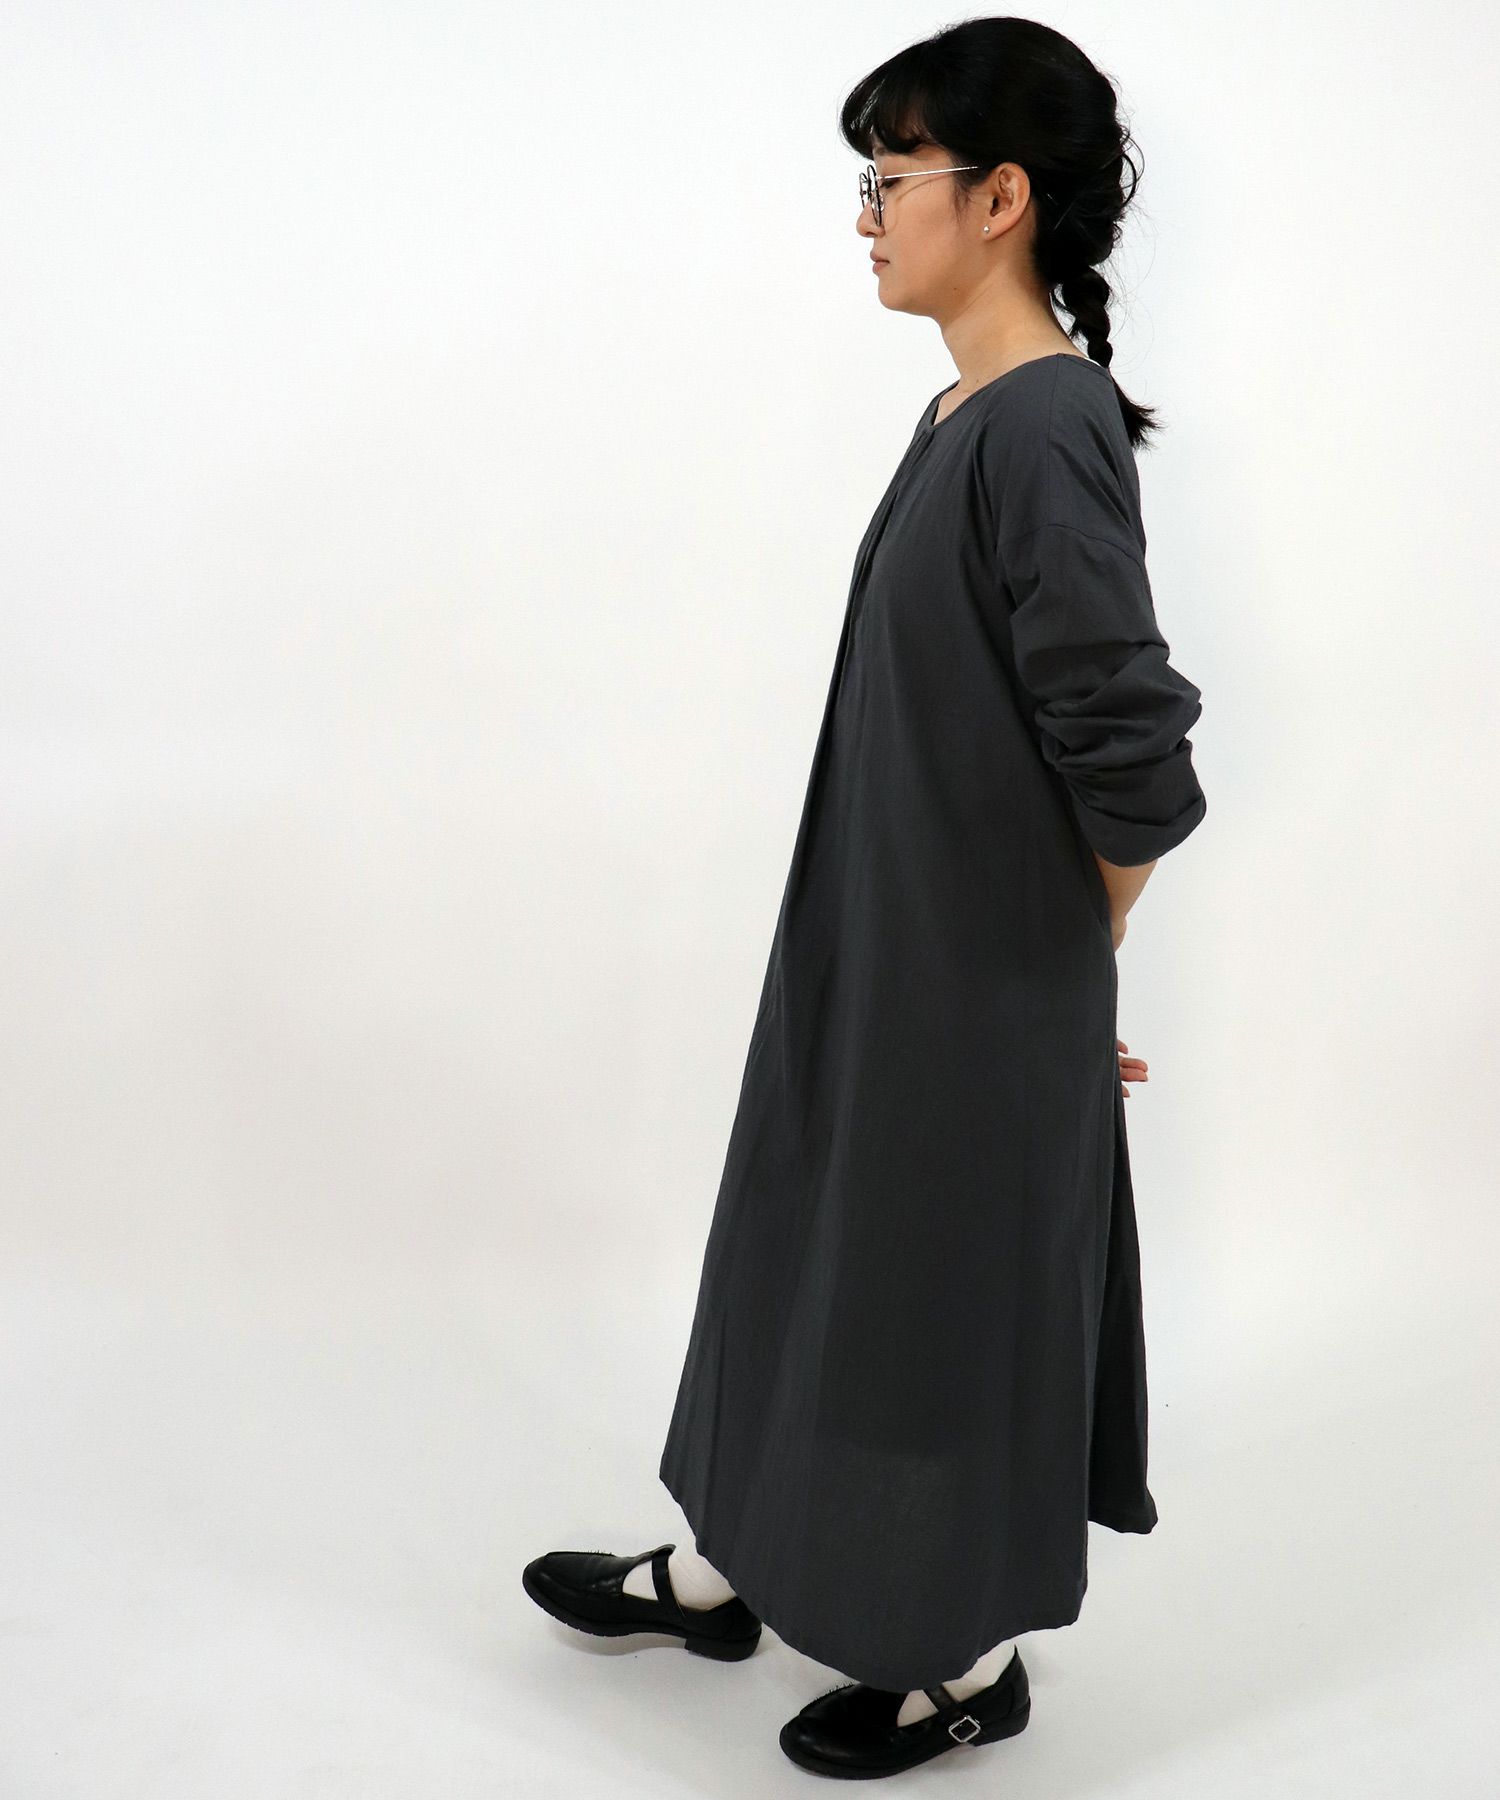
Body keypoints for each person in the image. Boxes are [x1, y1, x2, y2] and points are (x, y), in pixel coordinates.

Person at [524, 16, 1207, 1780]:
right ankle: (729, 1568)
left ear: (1002, 198)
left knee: (925, 1306)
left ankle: (963, 1661)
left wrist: (1068, 960)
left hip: (964, 982)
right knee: (791, 1250)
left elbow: (1132, 753)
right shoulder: (967, 410)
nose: (866, 213)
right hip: (877, 943)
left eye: (892, 177)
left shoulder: (1045, 425)